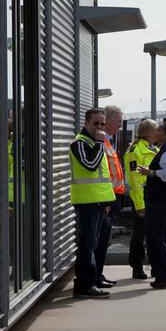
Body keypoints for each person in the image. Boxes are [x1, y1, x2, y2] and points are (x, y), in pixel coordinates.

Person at [70, 109, 117, 299]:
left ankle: (94, 279)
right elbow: (90, 165)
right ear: (86, 123)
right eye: (96, 123)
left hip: (98, 201)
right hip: (87, 202)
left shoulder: (95, 143)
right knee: (87, 244)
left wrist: (106, 200)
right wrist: (99, 143)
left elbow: (102, 175)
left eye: (102, 124)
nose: (99, 128)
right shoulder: (79, 143)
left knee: (94, 243)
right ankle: (83, 285)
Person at [138, 122, 166, 289]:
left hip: (161, 199)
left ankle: (165, 275)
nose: (156, 133)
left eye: (159, 131)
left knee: (155, 237)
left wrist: (150, 172)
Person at [94, 105, 128, 289]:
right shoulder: (101, 141)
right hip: (105, 197)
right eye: (119, 121)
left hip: (111, 196)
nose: (120, 126)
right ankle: (95, 276)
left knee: (103, 239)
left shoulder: (108, 141)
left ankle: (98, 274)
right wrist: (106, 199)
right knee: (99, 240)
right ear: (108, 120)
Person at [125, 119, 159, 280]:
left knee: (152, 232)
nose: (158, 134)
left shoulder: (154, 148)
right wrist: (139, 205)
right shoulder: (135, 151)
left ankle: (154, 265)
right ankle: (137, 267)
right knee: (140, 233)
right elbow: (135, 180)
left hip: (152, 195)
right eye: (156, 131)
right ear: (150, 133)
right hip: (142, 196)